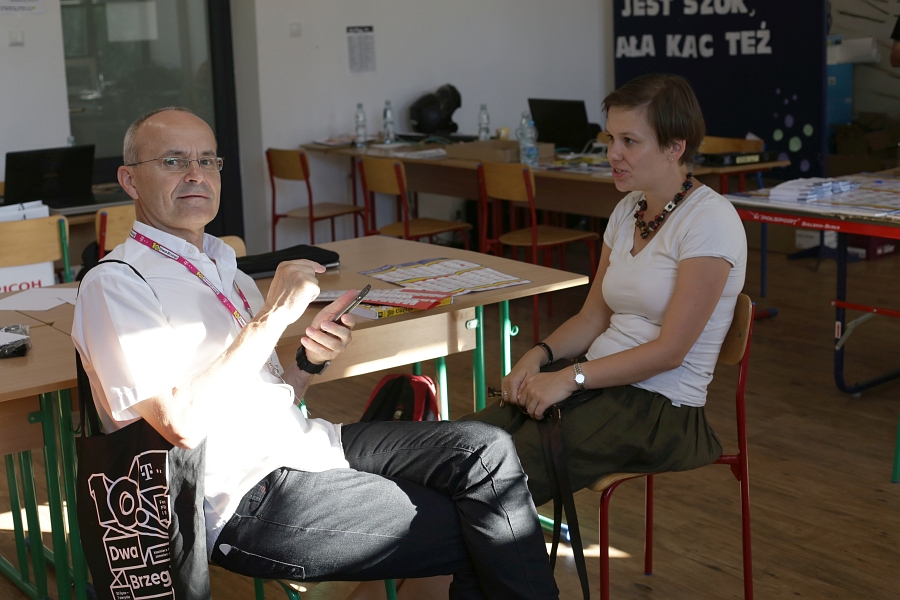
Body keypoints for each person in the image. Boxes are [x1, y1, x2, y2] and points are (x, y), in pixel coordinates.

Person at [71, 107, 559, 600]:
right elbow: (178, 424)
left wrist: (307, 363)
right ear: (129, 180)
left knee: (486, 449)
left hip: (310, 445)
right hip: (243, 495)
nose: (196, 174)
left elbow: (264, 394)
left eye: (208, 160)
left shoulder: (224, 267)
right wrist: (272, 317)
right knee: (488, 528)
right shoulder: (115, 284)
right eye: (173, 161)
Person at [464, 72, 747, 506]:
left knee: (489, 475)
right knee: (462, 446)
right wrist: (536, 357)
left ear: (675, 147)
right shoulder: (628, 209)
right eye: (611, 138)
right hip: (599, 385)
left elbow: (670, 352)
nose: (613, 153)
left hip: (658, 411)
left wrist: (570, 378)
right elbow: (593, 317)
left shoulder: (710, 220)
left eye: (629, 141)